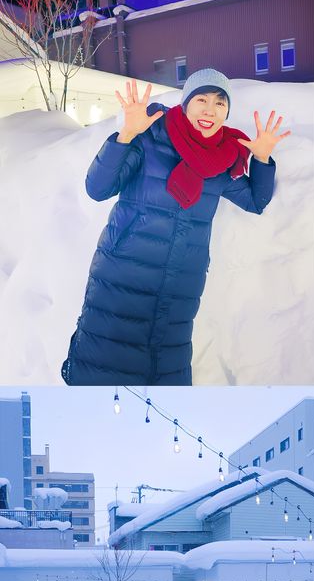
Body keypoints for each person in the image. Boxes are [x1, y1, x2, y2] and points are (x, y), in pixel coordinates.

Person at [61, 69, 290, 385]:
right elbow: (97, 188)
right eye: (202, 99)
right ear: (186, 103)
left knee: (165, 373)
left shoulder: (223, 159)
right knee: (103, 365)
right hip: (122, 277)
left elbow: (255, 201)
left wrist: (262, 158)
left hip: (179, 287)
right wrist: (126, 135)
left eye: (220, 103)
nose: (210, 110)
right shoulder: (152, 136)